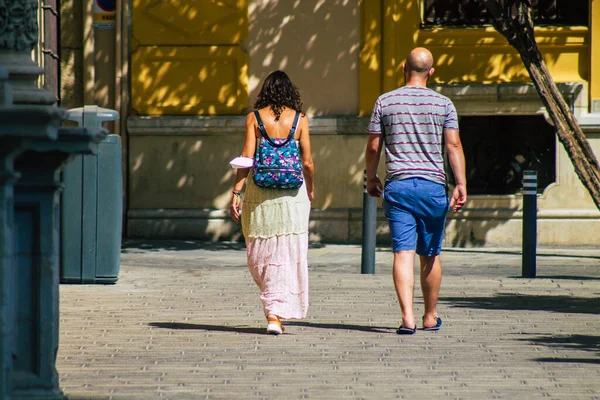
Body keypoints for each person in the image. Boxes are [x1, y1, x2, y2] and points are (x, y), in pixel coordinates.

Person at [364, 47, 467, 334]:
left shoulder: (385, 101)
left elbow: (373, 146)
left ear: (402, 67)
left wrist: (371, 178)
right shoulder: (444, 104)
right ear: (431, 72)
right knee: (430, 254)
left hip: (398, 186)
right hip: (433, 186)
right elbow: (453, 146)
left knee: (403, 253)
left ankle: (407, 318)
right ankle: (430, 316)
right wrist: (460, 184)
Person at [230, 70, 314, 335]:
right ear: (291, 93)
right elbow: (308, 162)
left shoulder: (253, 119)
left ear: (264, 91)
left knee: (262, 252)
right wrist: (311, 189)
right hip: (292, 194)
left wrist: (237, 191)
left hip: (260, 192)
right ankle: (277, 311)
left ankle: (273, 313)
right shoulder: (300, 120)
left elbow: (246, 157)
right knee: (287, 251)